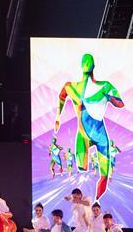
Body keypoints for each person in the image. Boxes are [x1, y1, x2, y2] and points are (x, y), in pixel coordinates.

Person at [54, 53, 126, 199]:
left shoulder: (96, 86)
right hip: (87, 136)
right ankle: (92, 201)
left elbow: (120, 103)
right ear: (94, 66)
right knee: (86, 170)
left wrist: (58, 116)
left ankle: (96, 202)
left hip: (96, 135)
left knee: (102, 175)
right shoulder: (76, 87)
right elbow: (119, 103)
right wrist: (58, 117)